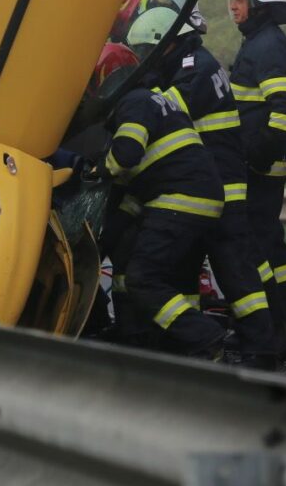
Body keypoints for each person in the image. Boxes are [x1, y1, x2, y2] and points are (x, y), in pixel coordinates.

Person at [128, 8, 278, 368]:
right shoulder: (192, 61)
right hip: (209, 182)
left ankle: (261, 349)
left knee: (236, 271)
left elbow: (163, 111)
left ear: (167, 44)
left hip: (221, 185)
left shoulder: (194, 67)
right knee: (186, 269)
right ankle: (194, 346)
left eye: (146, 51)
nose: (142, 60)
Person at [96, 46, 229, 359]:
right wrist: (105, 241)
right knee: (170, 279)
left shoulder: (133, 102)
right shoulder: (155, 100)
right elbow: (135, 192)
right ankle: (156, 341)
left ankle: (205, 336)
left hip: (179, 201)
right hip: (191, 199)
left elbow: (126, 155)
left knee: (143, 279)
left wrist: (99, 169)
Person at [223, 0, 286, 345]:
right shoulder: (260, 41)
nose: (233, 6)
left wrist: (257, 156)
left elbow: (284, 109)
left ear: (259, 2)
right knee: (270, 245)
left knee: (254, 245)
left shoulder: (268, 45)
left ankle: (274, 327)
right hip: (262, 162)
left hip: (260, 165)